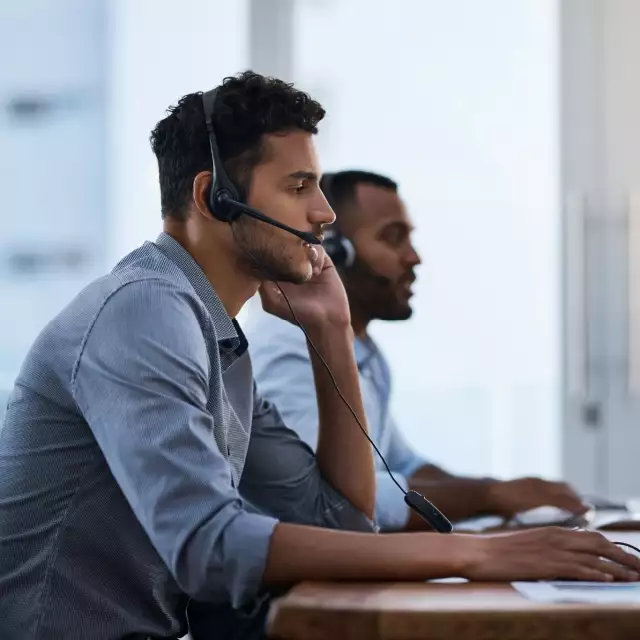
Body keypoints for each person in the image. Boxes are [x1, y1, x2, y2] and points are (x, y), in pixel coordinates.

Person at [0, 73, 638, 640]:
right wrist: (475, 555)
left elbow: (345, 521)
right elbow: (208, 546)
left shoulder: (220, 342)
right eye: (299, 186)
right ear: (212, 198)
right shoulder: (144, 311)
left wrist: (330, 331)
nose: (324, 212)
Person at [246, 169, 588, 532]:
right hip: (300, 583)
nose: (413, 258)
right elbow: (339, 501)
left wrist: (509, 495)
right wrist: (491, 496)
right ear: (332, 252)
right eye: (393, 238)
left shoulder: (364, 353)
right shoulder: (290, 349)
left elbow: (402, 466)